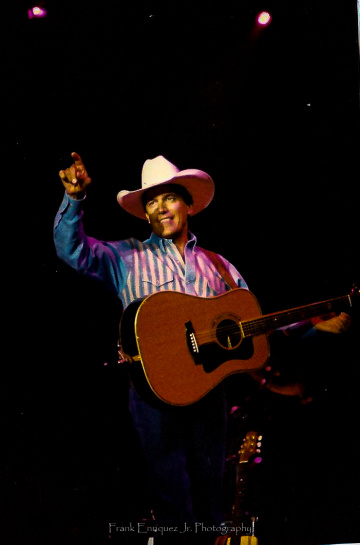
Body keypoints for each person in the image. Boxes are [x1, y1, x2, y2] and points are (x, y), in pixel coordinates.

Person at [54, 152, 352, 544]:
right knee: (172, 501)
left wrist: (315, 327)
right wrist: (74, 199)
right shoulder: (125, 256)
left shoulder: (219, 266)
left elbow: (254, 330)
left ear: (188, 204)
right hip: (154, 395)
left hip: (209, 395)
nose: (161, 208)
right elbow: (71, 250)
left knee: (211, 499)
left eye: (169, 198)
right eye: (152, 202)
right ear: (145, 214)